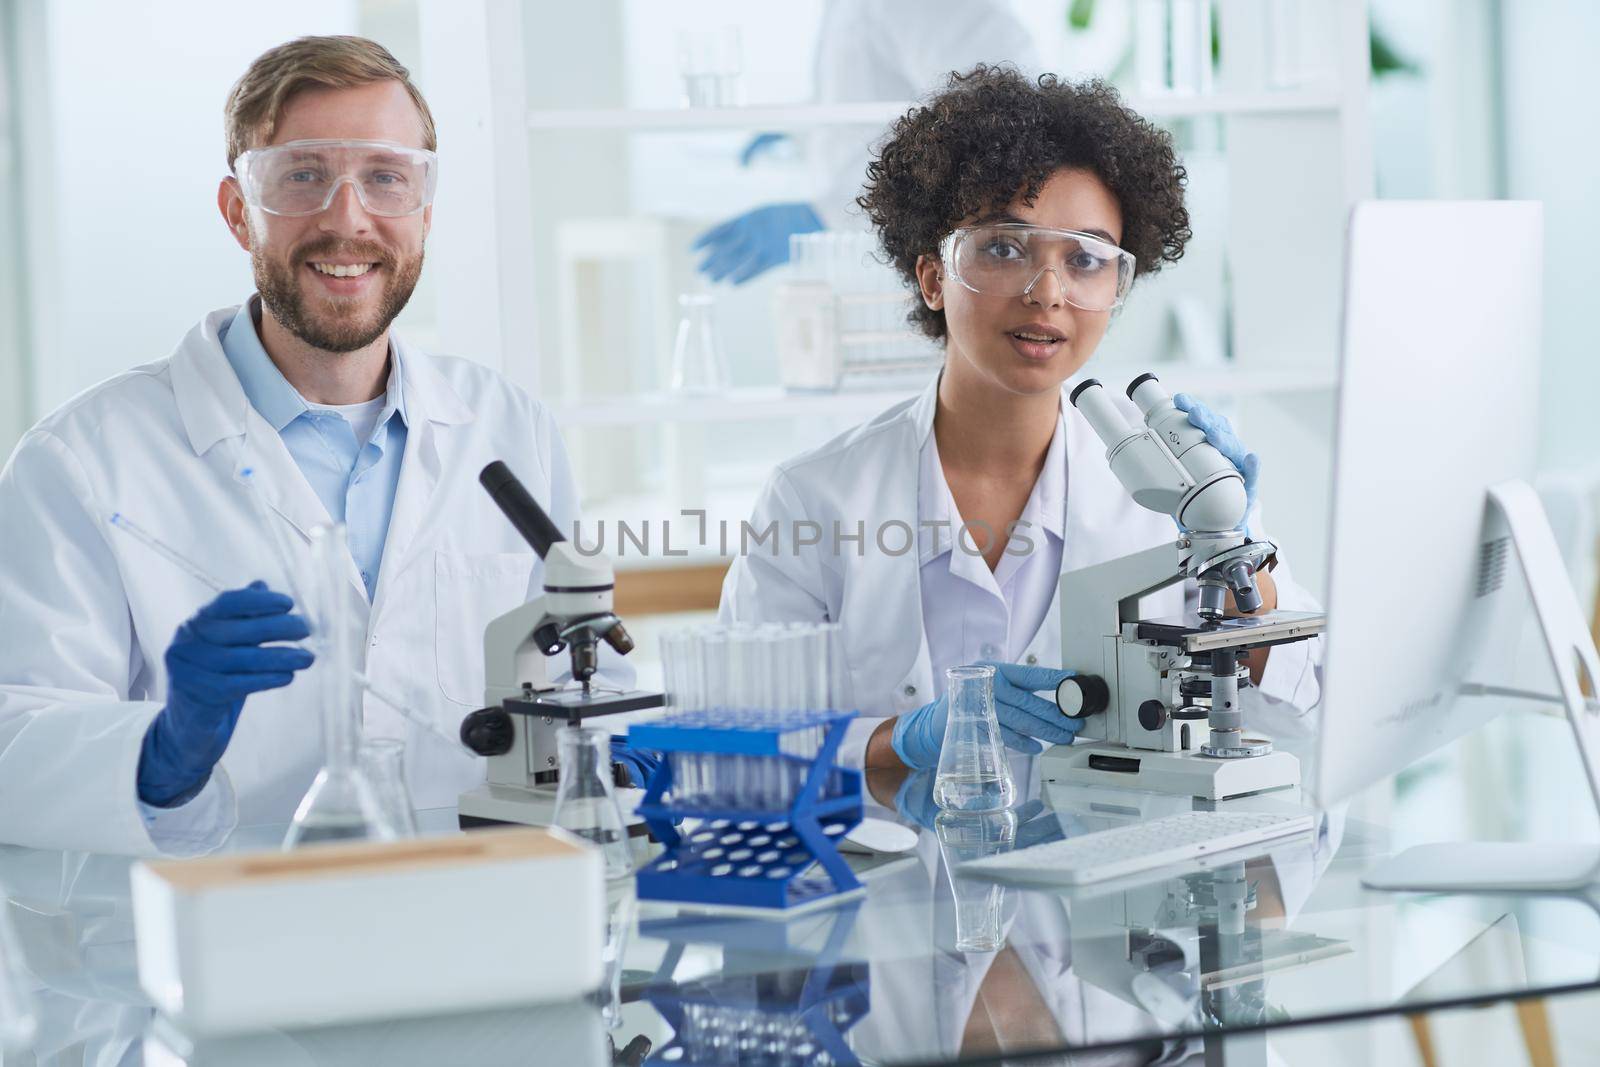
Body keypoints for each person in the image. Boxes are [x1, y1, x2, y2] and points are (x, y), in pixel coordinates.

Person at [0, 36, 619, 856]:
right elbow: (17, 748)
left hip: (479, 917)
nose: (347, 217)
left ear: (424, 213)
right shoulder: (80, 462)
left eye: (385, 178)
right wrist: (161, 751)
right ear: (236, 212)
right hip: (220, 945)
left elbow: (584, 669)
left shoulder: (509, 428)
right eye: (302, 176)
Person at [719, 66, 1322, 769]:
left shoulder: (1168, 498)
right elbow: (740, 746)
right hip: (893, 875)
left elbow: (1304, 714)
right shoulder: (813, 500)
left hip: (1111, 870)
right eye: (1006, 247)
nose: (1048, 292)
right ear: (934, 276)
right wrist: (900, 743)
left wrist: (1243, 562)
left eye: (1087, 258)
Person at [693, 0, 1038, 284]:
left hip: (919, 269)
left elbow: (991, 133)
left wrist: (831, 215)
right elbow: (873, 91)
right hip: (870, 264)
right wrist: (804, 135)